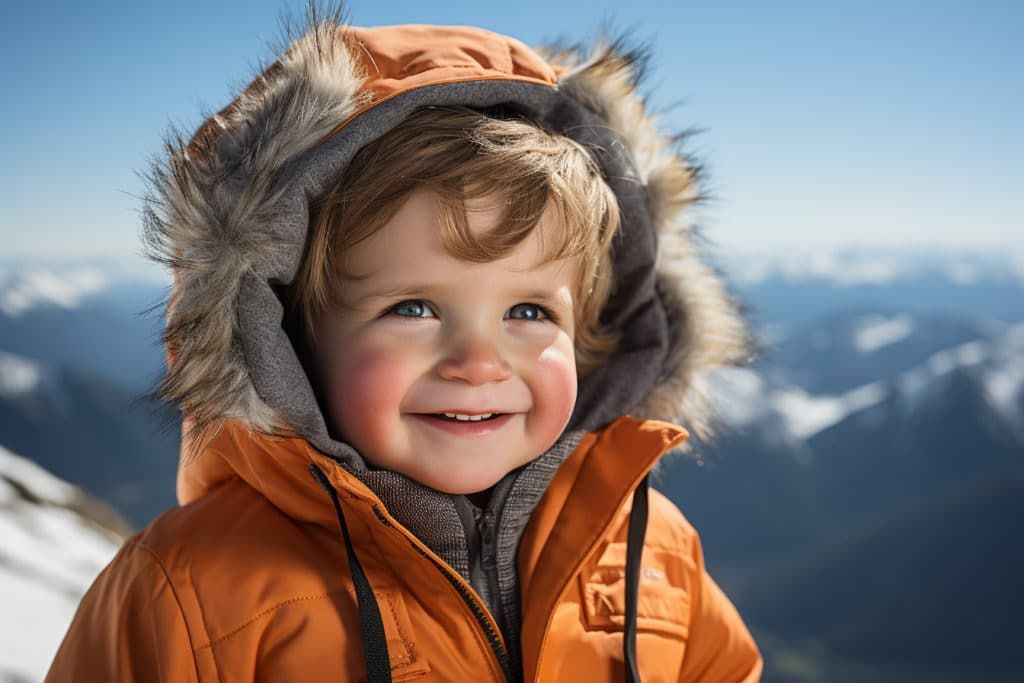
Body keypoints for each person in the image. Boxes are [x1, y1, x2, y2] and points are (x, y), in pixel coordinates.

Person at [47, 6, 762, 682]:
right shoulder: (190, 589)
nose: (480, 362)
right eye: (413, 307)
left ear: (588, 333)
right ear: (290, 340)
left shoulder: (651, 551)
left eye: (528, 310)